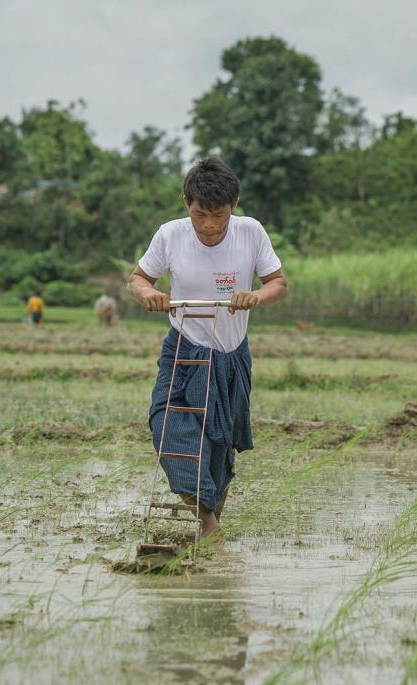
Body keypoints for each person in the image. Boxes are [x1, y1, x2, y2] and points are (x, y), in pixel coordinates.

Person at [128, 156, 288, 539]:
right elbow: (138, 278)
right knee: (167, 424)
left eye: (219, 214)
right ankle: (209, 525)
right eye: (200, 213)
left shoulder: (251, 232)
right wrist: (149, 293)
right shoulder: (170, 235)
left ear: (234, 205)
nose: (209, 225)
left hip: (232, 355)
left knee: (221, 444)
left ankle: (209, 518)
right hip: (184, 347)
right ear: (187, 203)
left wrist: (255, 296)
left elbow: (278, 284)